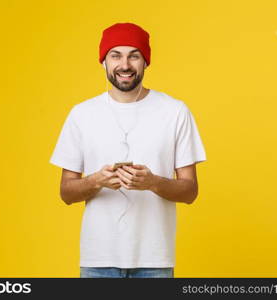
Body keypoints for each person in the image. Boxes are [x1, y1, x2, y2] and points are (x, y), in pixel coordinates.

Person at [49, 22, 207, 278]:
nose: (125, 65)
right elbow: (66, 192)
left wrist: (152, 182)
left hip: (154, 260)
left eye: (134, 55)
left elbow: (190, 191)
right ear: (104, 62)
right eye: (116, 55)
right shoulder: (81, 115)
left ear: (145, 62)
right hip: (98, 260)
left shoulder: (175, 112)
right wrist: (97, 181)